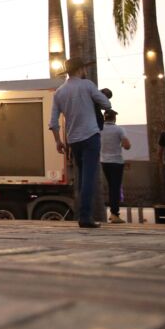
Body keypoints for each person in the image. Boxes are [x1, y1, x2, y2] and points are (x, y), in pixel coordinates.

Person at [49, 56, 111, 229]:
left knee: (82, 177)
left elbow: (53, 122)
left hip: (73, 140)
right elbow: (106, 103)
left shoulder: (60, 92)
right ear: (80, 69)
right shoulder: (88, 85)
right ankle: (85, 217)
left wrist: (58, 142)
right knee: (89, 179)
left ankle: (82, 214)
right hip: (90, 136)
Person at [99, 109, 131, 223]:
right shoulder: (119, 129)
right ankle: (114, 214)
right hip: (116, 162)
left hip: (104, 161)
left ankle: (113, 212)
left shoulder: (99, 129)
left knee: (111, 186)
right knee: (115, 187)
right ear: (114, 118)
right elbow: (127, 145)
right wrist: (122, 143)